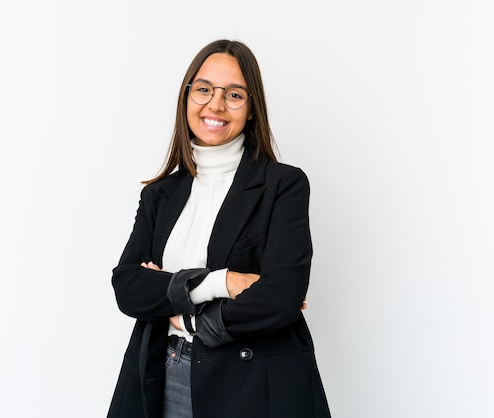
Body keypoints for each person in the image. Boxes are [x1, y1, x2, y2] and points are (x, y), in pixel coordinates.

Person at [107, 39, 330, 418]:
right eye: (205, 89)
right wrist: (221, 283)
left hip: (250, 384)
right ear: (187, 96)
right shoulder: (160, 195)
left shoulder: (283, 185)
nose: (216, 104)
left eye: (234, 94)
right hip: (163, 373)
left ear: (252, 109)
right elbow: (128, 286)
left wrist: (181, 312)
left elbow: (281, 298)